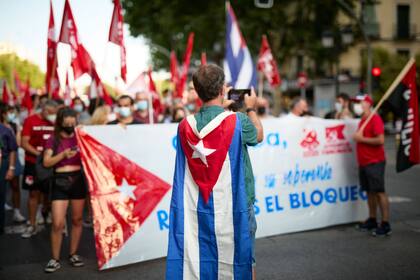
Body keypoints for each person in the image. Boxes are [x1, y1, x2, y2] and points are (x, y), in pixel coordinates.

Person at [166, 65, 263, 280]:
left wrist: (221, 106)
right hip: (236, 203)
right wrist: (251, 109)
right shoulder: (237, 120)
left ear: (197, 92)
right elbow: (257, 136)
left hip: (199, 204)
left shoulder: (184, 125)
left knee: (205, 256)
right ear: (222, 90)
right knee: (243, 259)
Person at [43, 107, 87, 272]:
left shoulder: (81, 137)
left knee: (76, 220)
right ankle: (54, 259)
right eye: (66, 122)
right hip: (59, 181)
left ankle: (73, 254)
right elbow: (47, 162)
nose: (70, 124)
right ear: (60, 122)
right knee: (57, 223)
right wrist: (63, 155)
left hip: (78, 180)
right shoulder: (53, 140)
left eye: (72, 121)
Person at [352, 94, 391, 237]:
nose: (357, 105)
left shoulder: (374, 119)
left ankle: (385, 223)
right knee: (369, 192)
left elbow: (380, 140)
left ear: (368, 103)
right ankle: (372, 219)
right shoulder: (363, 120)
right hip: (364, 162)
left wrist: (361, 139)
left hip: (374, 161)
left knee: (379, 191)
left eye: (359, 102)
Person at [21, 100, 58, 238]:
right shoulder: (30, 120)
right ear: (43, 109)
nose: (52, 116)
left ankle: (45, 212)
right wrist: (40, 156)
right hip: (33, 163)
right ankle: (32, 224)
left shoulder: (55, 123)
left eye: (55, 113)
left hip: (51, 164)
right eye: (50, 113)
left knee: (49, 192)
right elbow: (24, 143)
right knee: (33, 193)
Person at [0, 104, 25, 223]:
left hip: (11, 159)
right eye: (9, 112)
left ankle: (16, 211)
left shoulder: (13, 126)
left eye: (13, 112)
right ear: (3, 113)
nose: (12, 114)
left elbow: (17, 145)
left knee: (15, 185)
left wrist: (15, 131)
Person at [0, 121, 18, 235]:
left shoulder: (5, 130)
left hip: (2, 165)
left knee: (1, 196)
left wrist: (11, 168)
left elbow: (13, 149)